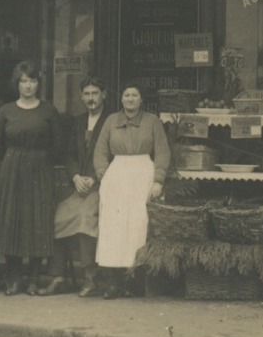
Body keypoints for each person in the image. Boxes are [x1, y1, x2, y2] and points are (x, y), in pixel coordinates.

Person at [0, 60, 68, 295]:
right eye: (23, 81)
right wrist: (14, 160)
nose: (28, 86)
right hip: (12, 169)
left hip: (40, 169)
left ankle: (34, 277)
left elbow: (59, 146)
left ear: (38, 83)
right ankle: (13, 278)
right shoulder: (6, 111)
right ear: (17, 84)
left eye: (32, 81)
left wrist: (39, 160)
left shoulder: (48, 110)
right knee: (13, 220)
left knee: (37, 221)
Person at [93, 82, 171, 300]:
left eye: (134, 95)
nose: (130, 99)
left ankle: (136, 282)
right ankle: (113, 284)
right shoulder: (110, 121)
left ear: (141, 99)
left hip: (142, 175)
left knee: (138, 227)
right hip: (117, 175)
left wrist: (158, 180)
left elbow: (163, 152)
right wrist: (103, 174)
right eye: (126, 95)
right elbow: (100, 151)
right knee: (113, 228)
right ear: (121, 99)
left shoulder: (152, 122)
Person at [45, 76, 111, 296]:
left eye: (95, 93)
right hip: (79, 185)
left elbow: (114, 154)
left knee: (85, 219)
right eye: (87, 94)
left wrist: (94, 177)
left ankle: (90, 278)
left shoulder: (111, 121)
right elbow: (69, 154)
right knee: (58, 217)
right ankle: (59, 277)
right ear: (81, 97)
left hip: (103, 186)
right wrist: (74, 176)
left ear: (104, 95)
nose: (91, 98)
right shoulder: (77, 122)